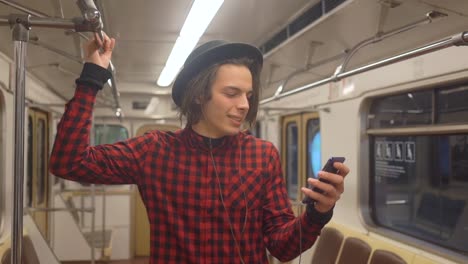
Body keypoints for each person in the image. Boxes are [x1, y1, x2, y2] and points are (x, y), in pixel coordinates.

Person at [49, 33, 349, 263]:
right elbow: (68, 162)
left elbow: (283, 248)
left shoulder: (263, 155)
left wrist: (317, 214)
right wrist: (91, 78)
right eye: (231, 94)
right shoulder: (154, 151)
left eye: (248, 95)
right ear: (198, 95)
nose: (244, 105)